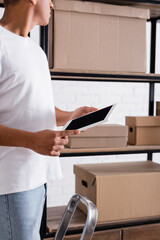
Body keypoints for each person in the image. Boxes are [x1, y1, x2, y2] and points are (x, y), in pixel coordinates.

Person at [0, 0, 97, 239]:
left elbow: (32, 103)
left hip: (38, 175)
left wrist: (70, 115)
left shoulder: (35, 51)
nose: (53, 4)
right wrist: (32, 141)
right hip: (12, 184)